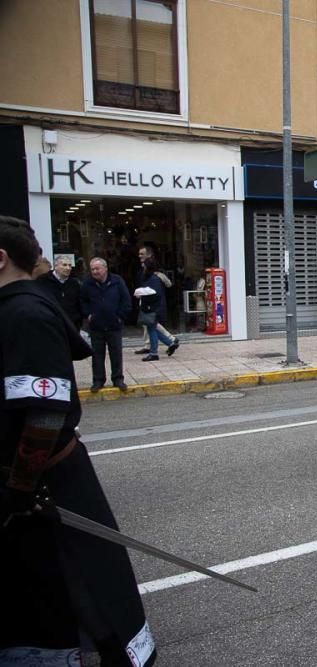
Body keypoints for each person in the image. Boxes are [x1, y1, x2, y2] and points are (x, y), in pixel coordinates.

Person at [0, 216, 156, 666]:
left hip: (45, 478)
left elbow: (46, 412)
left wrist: (20, 486)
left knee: (80, 576)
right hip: (33, 477)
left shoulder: (26, 313)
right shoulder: (16, 305)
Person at [80, 257, 131, 392]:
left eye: (97, 269)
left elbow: (126, 300)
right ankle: (98, 380)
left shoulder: (117, 281)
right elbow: (83, 302)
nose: (95, 272)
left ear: (105, 268)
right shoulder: (88, 284)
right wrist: (88, 315)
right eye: (92, 269)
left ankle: (118, 379)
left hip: (114, 325)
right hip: (96, 326)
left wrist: (120, 317)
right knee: (97, 355)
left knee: (116, 354)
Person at [135, 246, 180, 357]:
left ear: (149, 255)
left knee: (152, 326)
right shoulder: (145, 272)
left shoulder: (156, 273)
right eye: (139, 254)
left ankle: (159, 347)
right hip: (147, 303)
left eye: (142, 254)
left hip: (152, 305)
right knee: (150, 325)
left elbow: (162, 288)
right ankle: (166, 343)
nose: (140, 256)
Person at [37, 255, 83, 329]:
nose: (68, 268)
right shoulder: (43, 281)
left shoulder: (74, 283)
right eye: (64, 265)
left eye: (70, 265)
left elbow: (78, 304)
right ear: (56, 266)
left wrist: (78, 322)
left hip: (72, 326)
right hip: (51, 325)